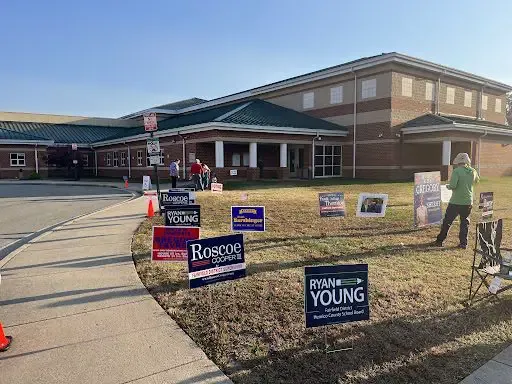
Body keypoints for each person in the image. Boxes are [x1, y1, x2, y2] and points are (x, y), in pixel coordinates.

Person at [435, 153, 480, 249]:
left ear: (458, 162)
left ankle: (440, 240)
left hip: (456, 201)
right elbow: (476, 181)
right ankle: (463, 243)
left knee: (447, 221)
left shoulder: (456, 171)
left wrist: (447, 186)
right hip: (468, 201)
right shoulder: (473, 171)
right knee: (465, 223)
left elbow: (453, 186)